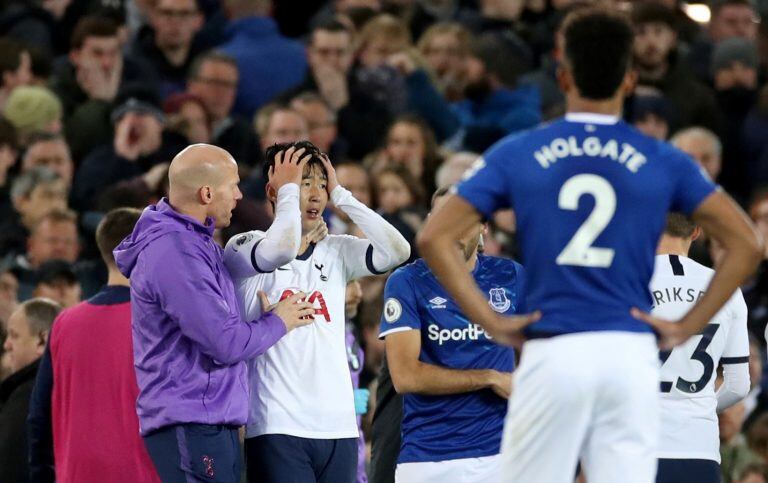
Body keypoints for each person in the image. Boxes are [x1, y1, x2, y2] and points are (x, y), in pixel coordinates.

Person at [417, 8, 763, 483]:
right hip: (628, 356)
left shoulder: (519, 151)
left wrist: (492, 321)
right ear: (629, 80)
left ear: (562, 75)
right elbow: (746, 243)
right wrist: (686, 325)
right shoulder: (662, 159)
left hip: (554, 347)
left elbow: (433, 235)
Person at [113, 144, 316, 482]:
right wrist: (280, 320)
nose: (238, 195)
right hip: (192, 421)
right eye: (232, 185)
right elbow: (225, 342)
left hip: (205, 419)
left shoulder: (195, 242)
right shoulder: (175, 252)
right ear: (207, 192)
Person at [223, 140, 410, 483]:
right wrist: (289, 195)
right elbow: (280, 247)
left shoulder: (335, 250)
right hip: (276, 426)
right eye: (302, 182)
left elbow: (398, 250)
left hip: (338, 428)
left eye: (320, 183)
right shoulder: (243, 247)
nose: (314, 194)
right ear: (273, 190)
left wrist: (342, 197)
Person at [379, 186, 524, 483]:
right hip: (429, 458)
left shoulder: (511, 276)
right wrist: (490, 377)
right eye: (443, 218)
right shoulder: (407, 282)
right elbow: (406, 376)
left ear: (484, 224)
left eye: (462, 220)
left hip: (503, 455)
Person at [27, 208, 159, 483]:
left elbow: (38, 416)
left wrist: (42, 474)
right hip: (144, 474)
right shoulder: (161, 321)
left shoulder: (64, 323)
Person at [652, 214, 751, 483]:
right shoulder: (727, 287)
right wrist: (701, 407)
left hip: (638, 444)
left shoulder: (627, 280)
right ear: (697, 232)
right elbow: (739, 385)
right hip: (700, 449)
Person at [0, 298, 60, 483]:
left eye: (14, 335)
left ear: (42, 341)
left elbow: (11, 470)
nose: (6, 345)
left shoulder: (27, 397)